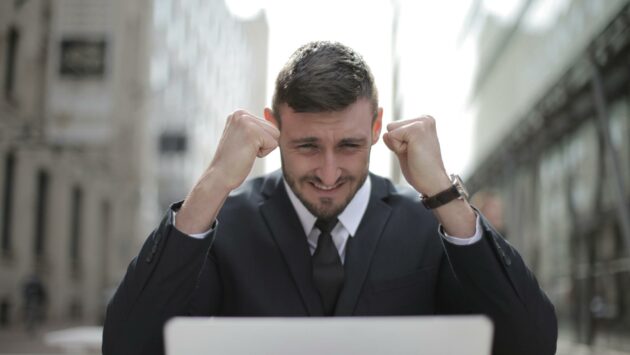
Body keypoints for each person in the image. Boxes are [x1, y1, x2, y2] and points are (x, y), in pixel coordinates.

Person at [103, 41, 557, 355]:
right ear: (272, 126)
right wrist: (213, 184)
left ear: (377, 128)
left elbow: (531, 343)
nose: (327, 172)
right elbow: (128, 346)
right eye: (306, 146)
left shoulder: (429, 225)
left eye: (349, 146)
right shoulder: (226, 225)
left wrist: (445, 194)